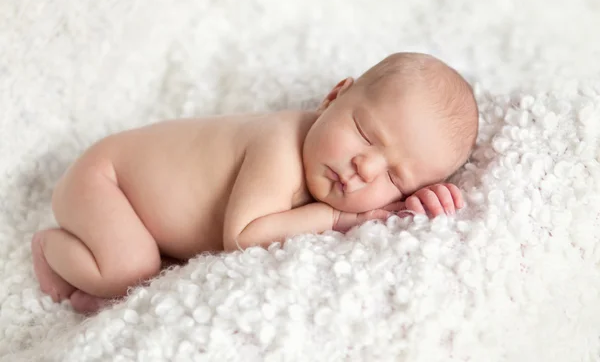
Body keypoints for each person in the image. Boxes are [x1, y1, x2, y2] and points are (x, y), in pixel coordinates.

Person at [31, 52, 479, 314]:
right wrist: (338, 216)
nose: (364, 167)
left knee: (143, 266)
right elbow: (243, 237)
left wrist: (417, 201)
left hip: (139, 207)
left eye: (394, 176)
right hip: (106, 181)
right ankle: (50, 248)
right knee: (132, 269)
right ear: (334, 96)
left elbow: (389, 207)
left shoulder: (349, 172)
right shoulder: (281, 145)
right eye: (364, 133)